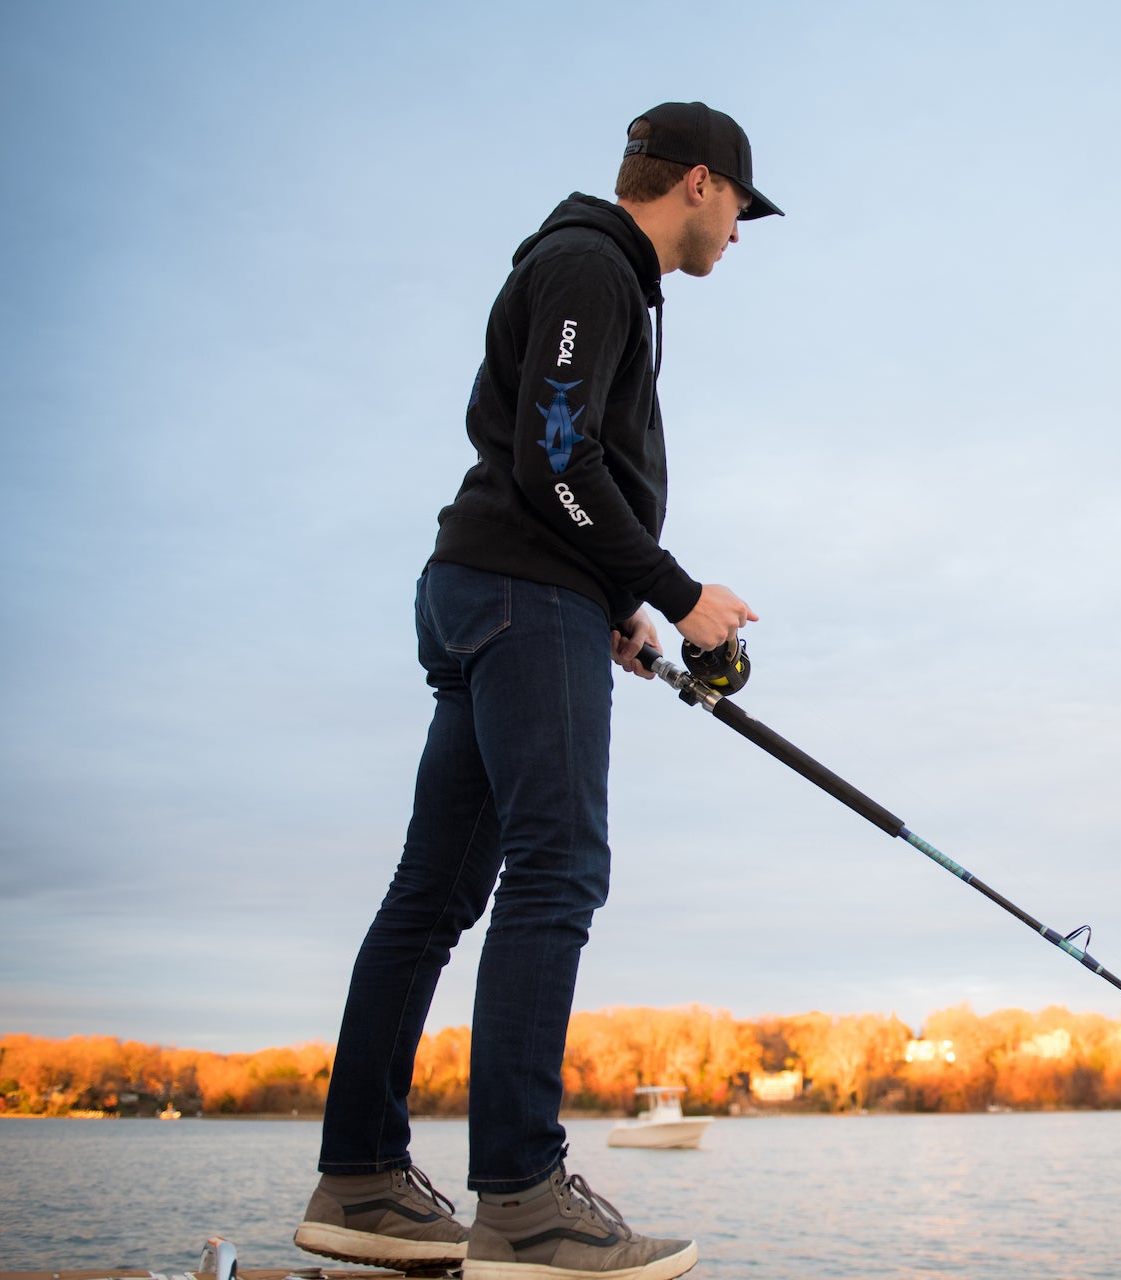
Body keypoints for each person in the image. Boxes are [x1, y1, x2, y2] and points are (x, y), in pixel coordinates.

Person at [293, 102, 781, 1280]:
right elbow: (554, 454)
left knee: (436, 892)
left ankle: (358, 1179)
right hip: (519, 597)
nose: (741, 235)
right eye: (741, 210)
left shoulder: (593, 272)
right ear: (700, 184)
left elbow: (559, 463)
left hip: (507, 592)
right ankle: (523, 1199)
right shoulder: (589, 263)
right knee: (557, 866)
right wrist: (672, 589)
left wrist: (614, 602)